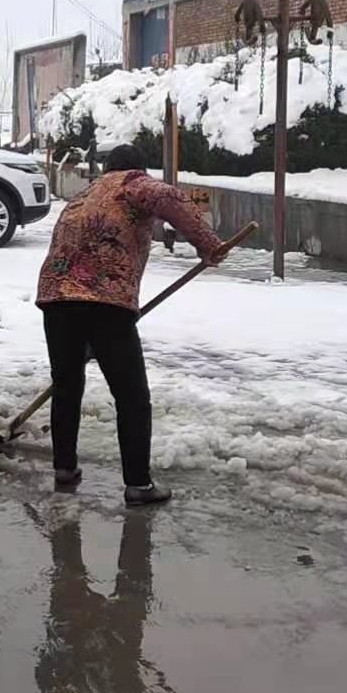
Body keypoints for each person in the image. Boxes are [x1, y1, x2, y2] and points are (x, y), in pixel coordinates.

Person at [34, 143, 222, 505]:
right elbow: (170, 196)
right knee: (132, 396)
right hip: (105, 301)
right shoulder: (133, 183)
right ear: (138, 168)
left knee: (67, 386)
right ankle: (138, 484)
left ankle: (64, 469)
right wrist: (208, 245)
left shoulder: (86, 192)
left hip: (55, 298)